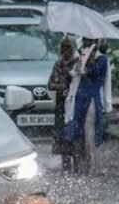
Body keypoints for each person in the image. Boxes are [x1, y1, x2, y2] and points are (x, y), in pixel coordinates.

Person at [65, 38, 113, 175]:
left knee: (90, 132)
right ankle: (82, 164)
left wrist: (83, 67)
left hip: (92, 98)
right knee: (78, 131)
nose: (86, 43)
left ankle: (93, 164)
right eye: (85, 40)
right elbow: (74, 73)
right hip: (80, 98)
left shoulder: (102, 59)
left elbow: (94, 73)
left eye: (89, 41)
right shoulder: (82, 55)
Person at [47, 37, 77, 171]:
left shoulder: (77, 63)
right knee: (61, 132)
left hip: (73, 102)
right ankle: (65, 164)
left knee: (73, 131)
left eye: (68, 47)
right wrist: (63, 86)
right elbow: (50, 84)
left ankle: (77, 163)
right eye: (63, 47)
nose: (65, 50)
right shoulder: (58, 64)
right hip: (61, 103)